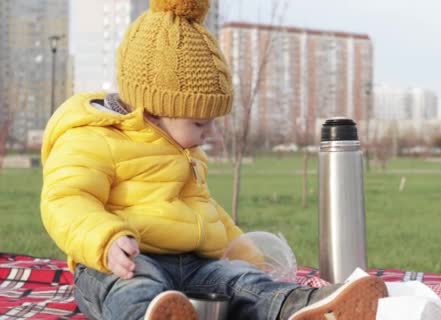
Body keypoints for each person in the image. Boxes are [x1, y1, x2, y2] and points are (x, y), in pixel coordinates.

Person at [40, 0, 387, 319]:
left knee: (241, 281)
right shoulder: (94, 136)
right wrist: (106, 239)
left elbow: (207, 211)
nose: (209, 133)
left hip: (191, 265)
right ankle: (154, 314)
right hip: (118, 262)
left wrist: (247, 257)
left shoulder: (184, 150)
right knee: (132, 287)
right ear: (156, 111)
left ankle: (303, 306)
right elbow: (67, 199)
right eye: (199, 123)